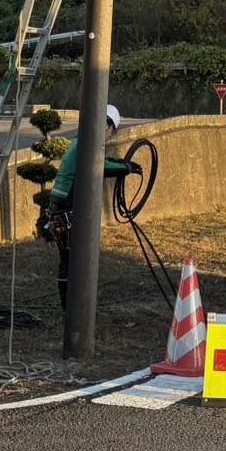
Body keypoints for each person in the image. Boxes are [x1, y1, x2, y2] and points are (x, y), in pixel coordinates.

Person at [45, 103, 138, 308]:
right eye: (112, 133)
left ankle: (71, 307)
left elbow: (103, 160)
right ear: (107, 127)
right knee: (71, 260)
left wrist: (121, 163)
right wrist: (125, 167)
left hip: (59, 205)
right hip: (67, 208)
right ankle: (70, 309)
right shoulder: (88, 144)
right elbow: (100, 165)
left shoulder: (81, 141)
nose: (110, 137)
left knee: (69, 259)